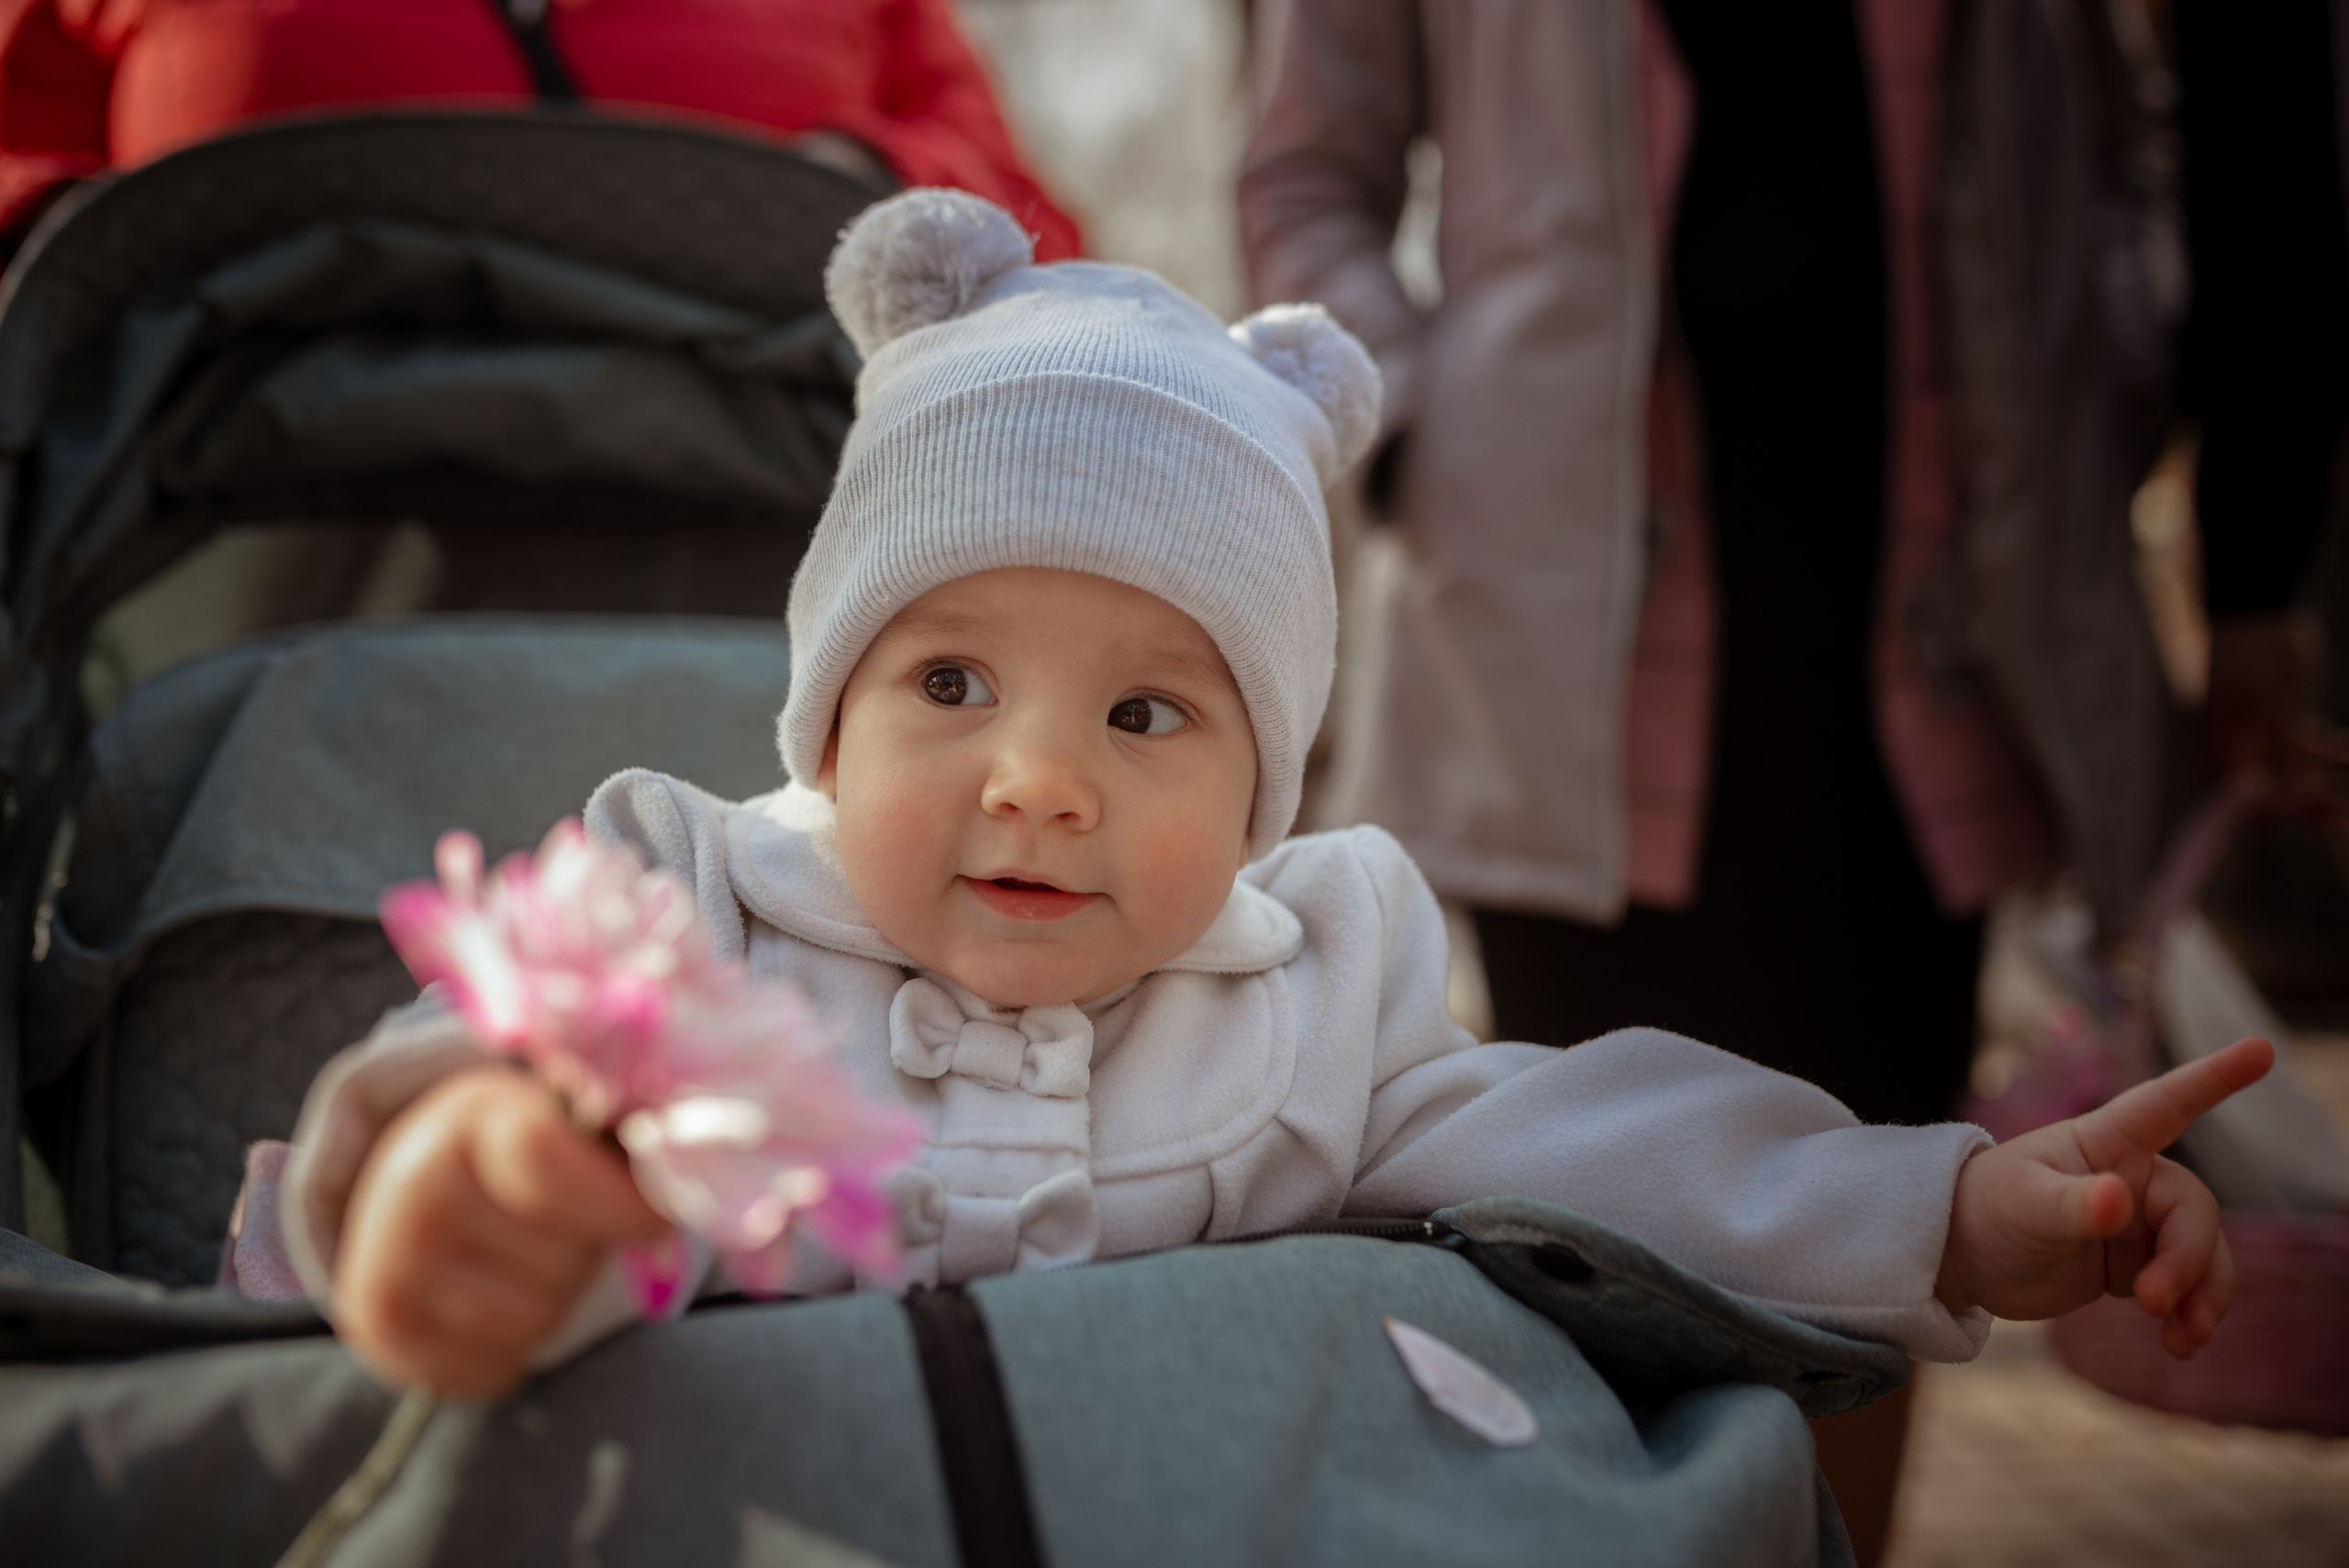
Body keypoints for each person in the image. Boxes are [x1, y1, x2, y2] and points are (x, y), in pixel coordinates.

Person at [247, 190, 2271, 1407]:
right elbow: (467, 1063)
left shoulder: (1303, 995)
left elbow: (1614, 1140)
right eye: (949, 681)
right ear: (826, 719)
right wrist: (472, 1171)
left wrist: (1946, 1208)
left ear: (1260, 788)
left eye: (1148, 712)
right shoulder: (688, 904)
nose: (1040, 776)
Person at [0, 0, 1079, 257]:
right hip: (229, 560)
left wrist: (853, 180)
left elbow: (1035, 238)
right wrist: (104, 231)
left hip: (751, 565)